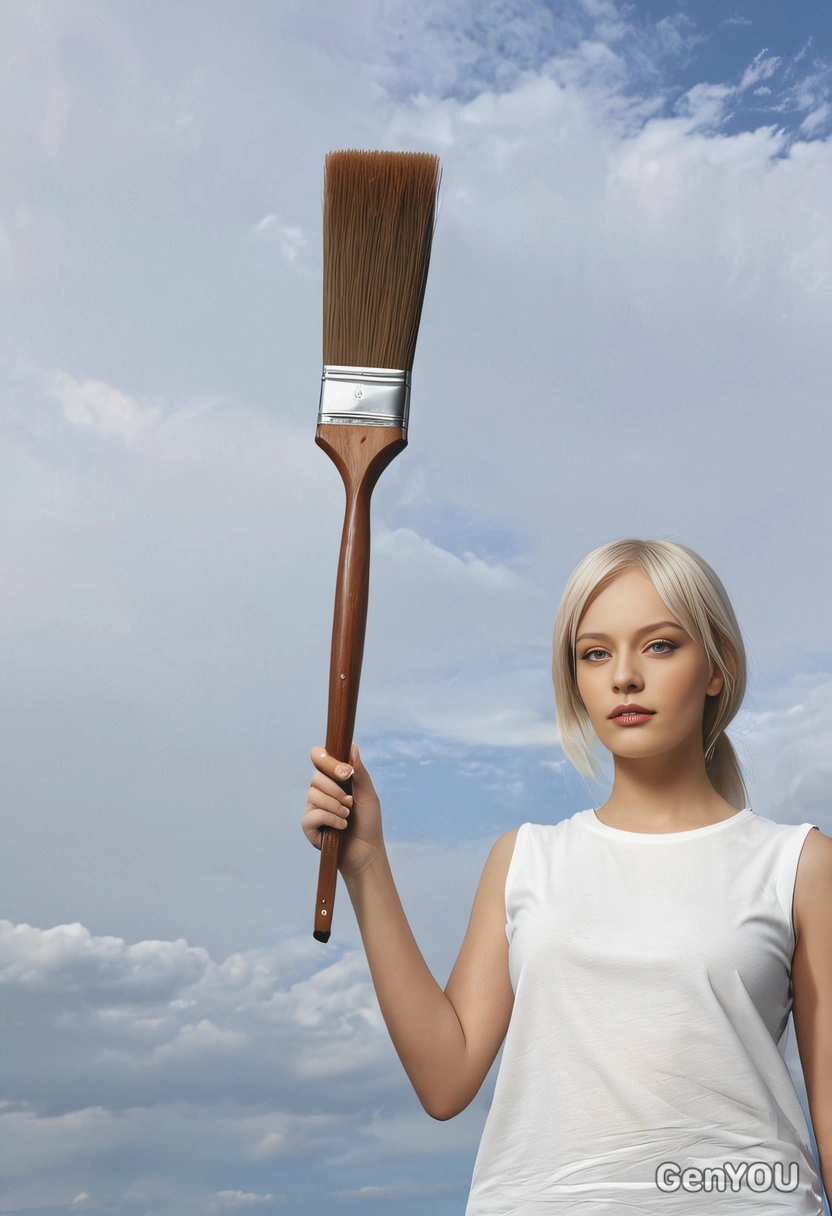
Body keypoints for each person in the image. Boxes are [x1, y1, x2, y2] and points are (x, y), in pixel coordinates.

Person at [301, 538, 832, 1214]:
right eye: (596, 653)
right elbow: (444, 1081)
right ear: (575, 679)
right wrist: (365, 863)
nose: (625, 677)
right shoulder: (525, 858)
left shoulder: (800, 865)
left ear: (717, 668)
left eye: (660, 645)